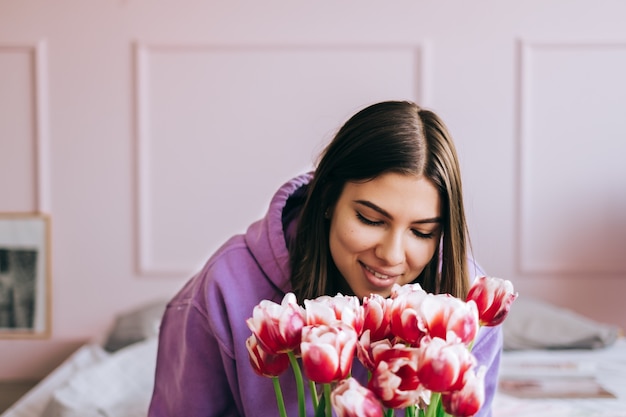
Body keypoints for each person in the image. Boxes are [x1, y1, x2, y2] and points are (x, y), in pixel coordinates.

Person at [148, 100, 503, 417]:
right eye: (370, 219)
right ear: (329, 198)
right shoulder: (226, 287)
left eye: (422, 232)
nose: (392, 256)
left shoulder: (465, 308)